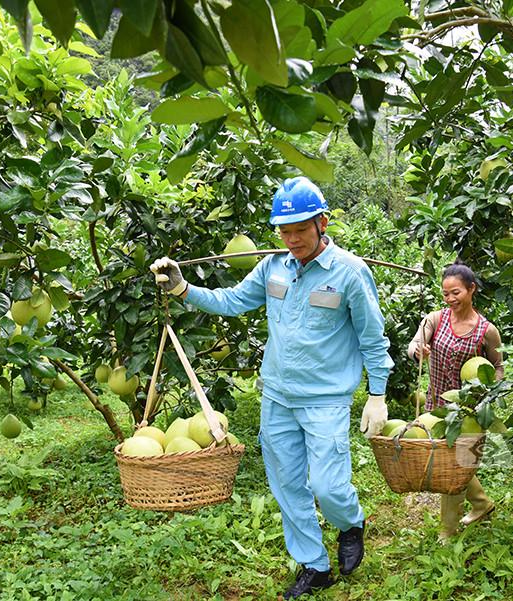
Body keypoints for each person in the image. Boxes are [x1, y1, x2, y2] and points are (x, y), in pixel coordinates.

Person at [150, 177, 394, 599]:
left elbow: (373, 337)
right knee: (288, 487)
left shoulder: (351, 274)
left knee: (328, 486)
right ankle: (314, 565)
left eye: (300, 229)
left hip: (324, 399)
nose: (292, 238)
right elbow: (231, 301)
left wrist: (378, 393)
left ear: (322, 222)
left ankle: (350, 523)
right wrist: (181, 288)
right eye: (284, 231)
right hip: (278, 396)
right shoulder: (272, 267)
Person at [406, 261, 503, 542]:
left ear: (471, 289)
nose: (450, 299)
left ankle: (447, 530)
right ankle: (482, 504)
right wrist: (418, 350)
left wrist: (488, 391)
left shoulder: (487, 330)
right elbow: (414, 344)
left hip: (469, 411)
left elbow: (498, 367)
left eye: (456, 292)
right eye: (446, 294)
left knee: (457, 466)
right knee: (447, 465)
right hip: (437, 407)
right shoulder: (434, 319)